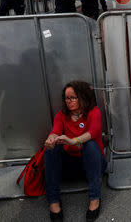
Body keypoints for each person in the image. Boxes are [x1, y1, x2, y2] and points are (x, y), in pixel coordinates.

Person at [44, 80, 107, 222]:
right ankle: (54, 202)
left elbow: (93, 131)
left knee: (90, 145)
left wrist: (74, 140)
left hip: (93, 164)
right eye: (67, 98)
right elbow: (55, 131)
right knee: (50, 150)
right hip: (72, 166)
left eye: (73, 97)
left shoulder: (93, 112)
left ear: (83, 97)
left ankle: (94, 199)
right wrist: (51, 139)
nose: (69, 101)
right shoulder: (61, 115)